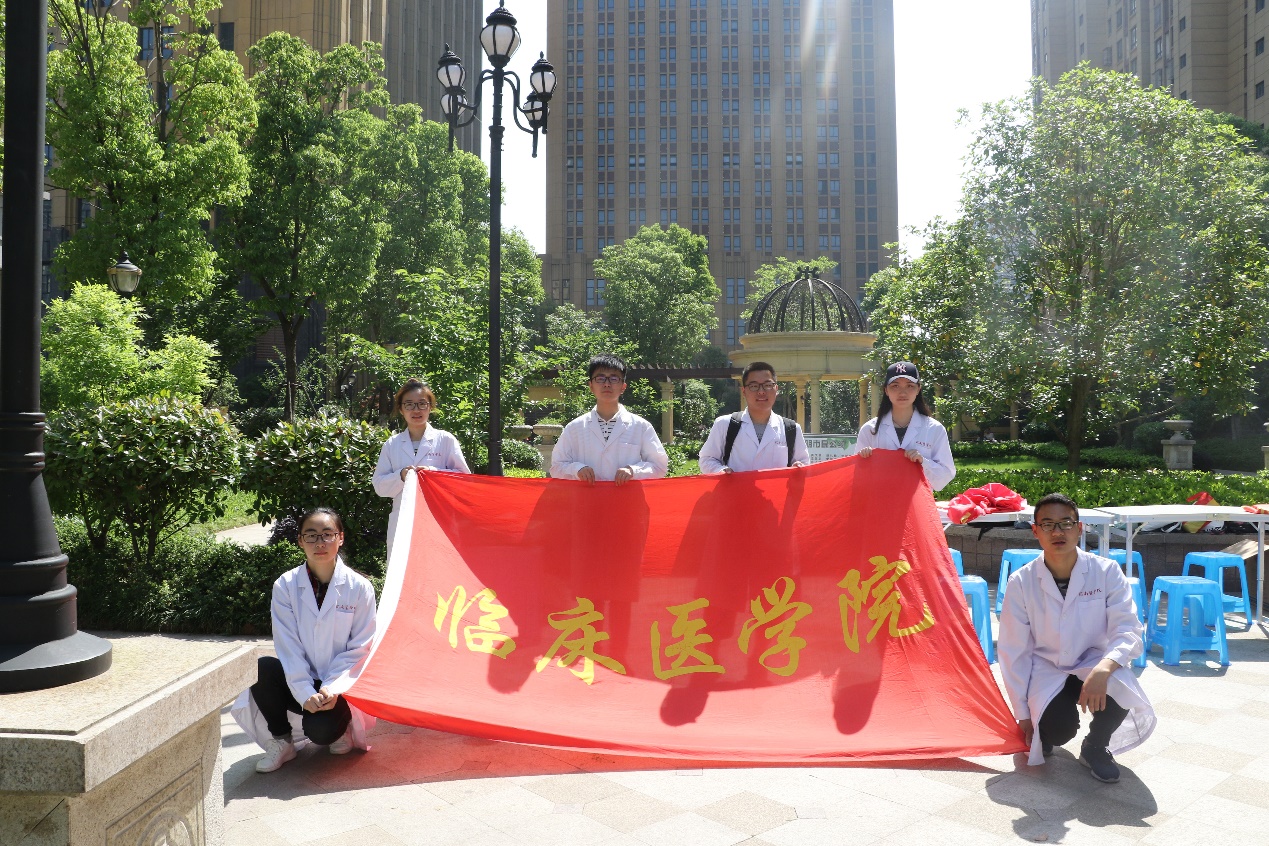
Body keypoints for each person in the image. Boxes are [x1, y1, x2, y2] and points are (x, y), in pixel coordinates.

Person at [998, 493, 1156, 783]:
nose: (1057, 532)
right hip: (1047, 668)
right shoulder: (1021, 582)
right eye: (1047, 524)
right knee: (1059, 731)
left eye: (1066, 523)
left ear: (1079, 528)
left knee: (1121, 687)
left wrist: (1104, 668)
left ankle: (1095, 746)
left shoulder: (1105, 572)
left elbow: (1128, 628)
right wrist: (1023, 714)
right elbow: (1013, 649)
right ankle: (1044, 729)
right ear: (1035, 531)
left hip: (1093, 662)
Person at [231, 507, 378, 773]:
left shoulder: (359, 587)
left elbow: (360, 647)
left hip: (341, 684)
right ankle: (282, 741)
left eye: (327, 534)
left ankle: (342, 726)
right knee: (261, 668)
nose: (320, 542)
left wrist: (332, 688)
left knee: (322, 733)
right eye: (311, 535)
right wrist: (304, 692)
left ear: (340, 538)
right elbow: (287, 645)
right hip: (302, 679)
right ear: (300, 540)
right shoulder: (285, 585)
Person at [373, 379, 470, 559]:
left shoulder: (445, 440)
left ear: (430, 407)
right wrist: (401, 476)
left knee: (439, 568)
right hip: (403, 520)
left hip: (440, 520)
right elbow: (379, 486)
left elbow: (464, 481)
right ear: (401, 409)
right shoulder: (392, 444)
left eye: (422, 404)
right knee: (403, 569)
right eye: (409, 404)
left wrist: (433, 474)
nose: (416, 410)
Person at [550, 354, 669, 483]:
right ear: (591, 386)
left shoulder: (641, 427)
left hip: (626, 495)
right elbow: (556, 467)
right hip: (586, 495)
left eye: (614, 378)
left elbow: (659, 466)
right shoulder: (574, 428)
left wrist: (634, 471)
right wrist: (577, 469)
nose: (607, 384)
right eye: (600, 378)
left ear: (623, 387)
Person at [851, 361, 955, 491]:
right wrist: (864, 460)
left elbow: (945, 476)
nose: (902, 393)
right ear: (886, 390)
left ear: (918, 389)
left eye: (910, 386)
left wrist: (923, 462)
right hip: (880, 500)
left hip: (918, 501)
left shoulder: (934, 429)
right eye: (895, 386)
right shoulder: (870, 429)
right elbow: (856, 477)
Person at [699, 361, 810, 473]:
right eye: (754, 386)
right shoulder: (725, 424)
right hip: (737, 485)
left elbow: (803, 463)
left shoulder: (791, 429)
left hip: (776, 486)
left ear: (776, 389)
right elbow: (707, 459)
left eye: (767, 385)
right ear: (744, 391)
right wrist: (720, 470)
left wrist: (799, 468)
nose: (761, 392)